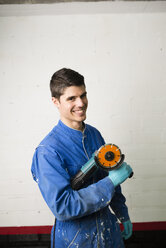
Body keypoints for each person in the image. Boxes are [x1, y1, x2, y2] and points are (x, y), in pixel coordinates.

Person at [31, 68, 133, 248]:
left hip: (109, 234)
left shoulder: (94, 134)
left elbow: (109, 177)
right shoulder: (48, 152)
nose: (81, 103)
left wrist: (122, 213)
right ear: (56, 101)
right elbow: (63, 206)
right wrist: (111, 182)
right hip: (77, 240)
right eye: (71, 98)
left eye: (83, 95)